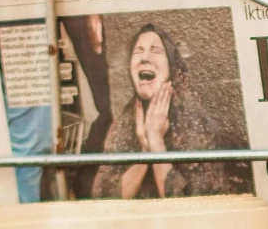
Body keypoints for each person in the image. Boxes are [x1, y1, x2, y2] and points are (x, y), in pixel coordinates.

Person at [92, 21, 250, 198]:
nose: (144, 57)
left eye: (156, 51)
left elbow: (193, 211)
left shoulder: (197, 126)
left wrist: (157, 142)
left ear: (172, 69)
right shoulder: (122, 127)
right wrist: (145, 152)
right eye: (138, 51)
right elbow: (105, 204)